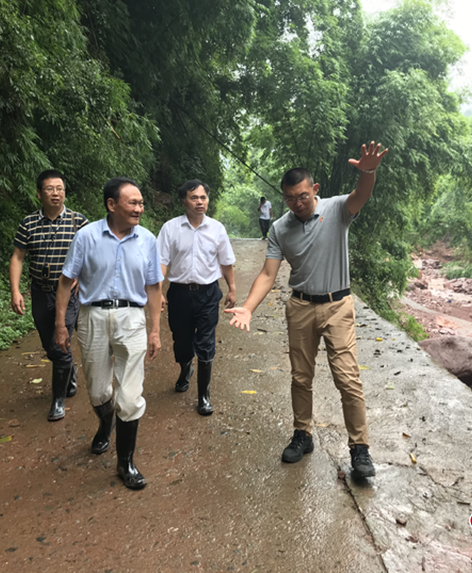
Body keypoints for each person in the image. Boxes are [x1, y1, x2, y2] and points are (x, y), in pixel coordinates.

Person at [227, 142, 388, 480]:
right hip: (300, 306)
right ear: (283, 198)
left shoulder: (338, 209)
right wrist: (248, 307)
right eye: (290, 198)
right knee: (301, 376)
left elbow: (362, 194)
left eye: (302, 195)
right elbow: (269, 273)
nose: (297, 203)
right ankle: (303, 433)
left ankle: (359, 449)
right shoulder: (279, 228)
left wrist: (369, 172)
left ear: (314, 189)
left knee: (347, 378)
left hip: (337, 306)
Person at [54, 177, 162, 490]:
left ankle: (125, 461)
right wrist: (61, 324)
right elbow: (65, 281)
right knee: (99, 391)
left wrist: (155, 330)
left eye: (141, 203)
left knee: (129, 396)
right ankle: (106, 421)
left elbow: (154, 287)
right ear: (111, 205)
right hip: (92, 316)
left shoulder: (147, 240)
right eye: (133, 202)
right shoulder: (86, 237)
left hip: (131, 317)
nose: (139, 208)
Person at [10, 169, 88, 422]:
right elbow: (18, 256)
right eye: (50, 189)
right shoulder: (29, 223)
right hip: (40, 292)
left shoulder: (78, 222)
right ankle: (69, 370)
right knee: (49, 344)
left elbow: (93, 253)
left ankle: (58, 400)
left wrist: (81, 274)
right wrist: (15, 290)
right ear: (39, 193)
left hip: (68, 292)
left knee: (60, 341)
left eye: (60, 189)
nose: (56, 194)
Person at [157, 180, 236, 416]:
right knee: (181, 341)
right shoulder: (170, 228)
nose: (200, 202)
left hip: (208, 293)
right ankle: (185, 368)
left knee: (205, 342)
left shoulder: (217, 229)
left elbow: (226, 261)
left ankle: (204, 396)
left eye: (203, 197)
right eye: (194, 198)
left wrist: (232, 288)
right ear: (184, 201)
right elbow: (161, 262)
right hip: (179, 293)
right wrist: (159, 291)